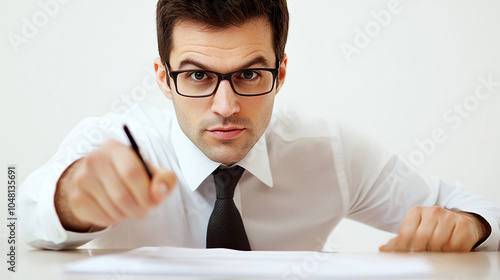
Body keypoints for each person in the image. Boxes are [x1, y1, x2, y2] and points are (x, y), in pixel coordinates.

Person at [20, 0, 500, 252]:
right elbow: (18, 220)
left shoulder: (330, 152)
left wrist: (470, 225)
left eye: (249, 74)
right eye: (198, 76)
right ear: (164, 80)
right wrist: (70, 200)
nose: (225, 106)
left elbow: (482, 212)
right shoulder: (115, 145)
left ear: (281, 74)